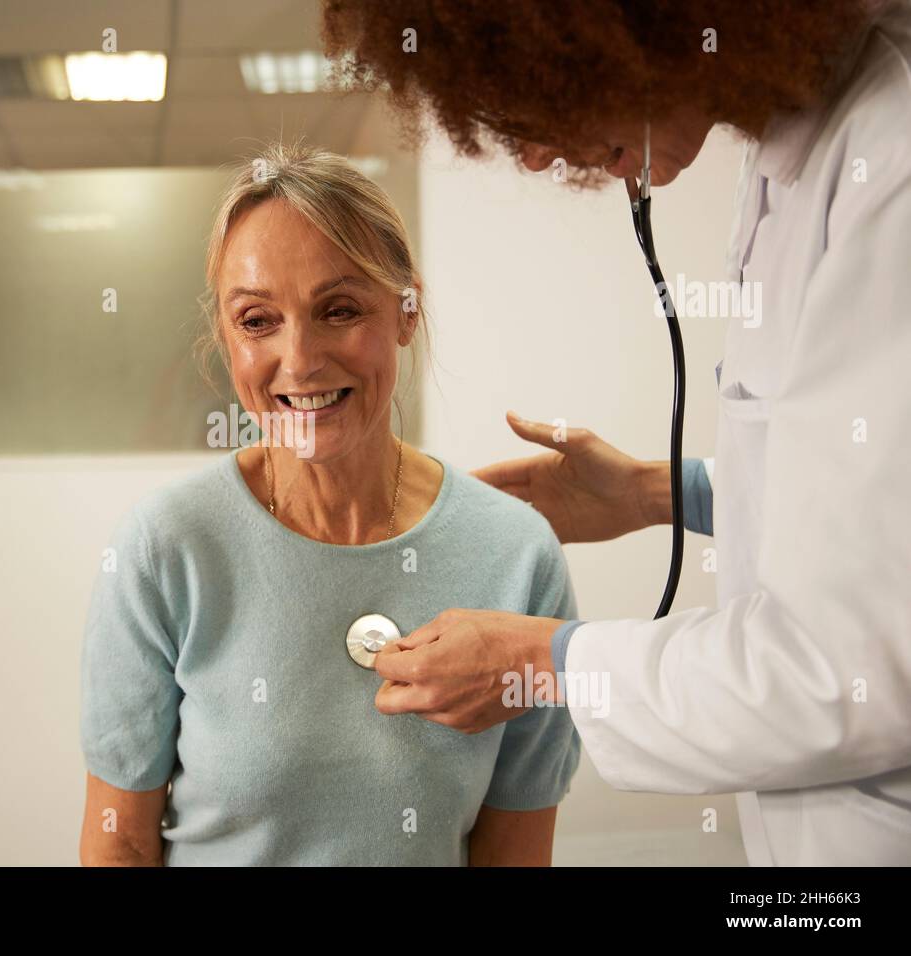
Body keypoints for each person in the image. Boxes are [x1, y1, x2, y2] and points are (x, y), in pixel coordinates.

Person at [321, 0, 911, 864]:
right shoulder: (793, 143)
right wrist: (658, 492)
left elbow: (850, 663)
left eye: (531, 104)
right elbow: (864, 501)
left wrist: (544, 661)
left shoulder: (887, 159)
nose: (529, 151)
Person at [78, 143, 580, 865]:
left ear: (407, 312)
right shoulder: (166, 549)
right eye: (257, 321)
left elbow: (515, 855)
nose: (301, 359)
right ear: (225, 337)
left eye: (338, 309)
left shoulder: (516, 556)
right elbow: (118, 842)